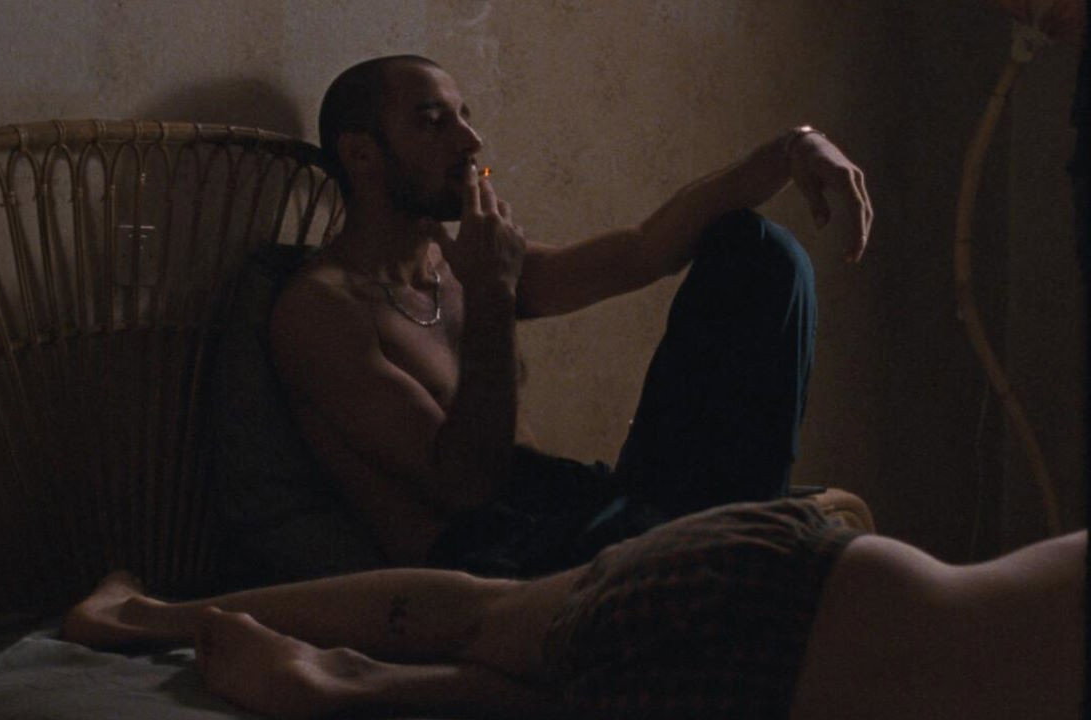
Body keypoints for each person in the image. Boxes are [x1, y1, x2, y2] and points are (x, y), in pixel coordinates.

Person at [267, 55, 874, 577]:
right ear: (362, 155)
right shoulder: (322, 309)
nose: (470, 142)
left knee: (758, 251)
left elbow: (643, 250)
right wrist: (492, 292)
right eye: (433, 122)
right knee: (763, 541)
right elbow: (467, 488)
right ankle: (741, 546)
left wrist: (791, 149)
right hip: (499, 557)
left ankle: (740, 537)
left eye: (464, 117)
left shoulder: (460, 266)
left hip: (582, 505)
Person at [61, 500, 1086, 720]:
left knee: (486, 619)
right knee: (501, 638)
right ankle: (151, 619)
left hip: (781, 611)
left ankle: (153, 618)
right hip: (774, 633)